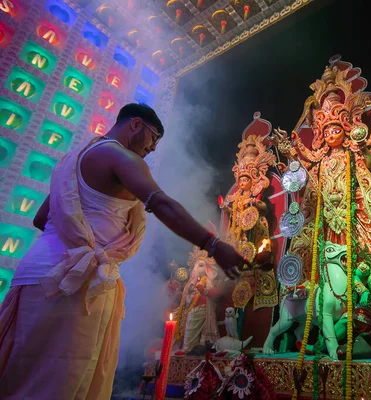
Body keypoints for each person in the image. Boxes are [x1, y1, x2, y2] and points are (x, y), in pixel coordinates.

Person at [0, 103, 244, 399]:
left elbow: (41, 219)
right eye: (153, 138)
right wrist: (213, 245)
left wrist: (80, 237)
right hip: (73, 285)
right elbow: (161, 204)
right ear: (136, 124)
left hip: (34, 276)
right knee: (59, 384)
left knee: (21, 377)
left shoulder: (73, 160)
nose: (153, 149)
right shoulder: (120, 156)